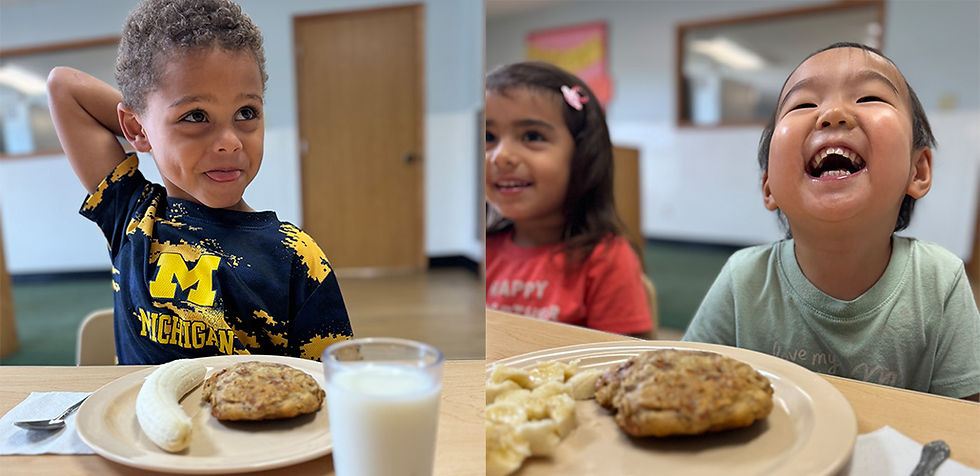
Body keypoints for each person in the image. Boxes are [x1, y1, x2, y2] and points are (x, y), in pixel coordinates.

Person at [46, 0, 352, 365]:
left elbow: (335, 386)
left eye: (246, 113)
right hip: (134, 421)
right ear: (135, 128)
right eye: (195, 116)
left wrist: (161, 128)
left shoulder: (296, 257)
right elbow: (63, 87)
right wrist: (148, 130)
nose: (230, 141)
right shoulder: (131, 214)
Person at [683, 42, 980, 400]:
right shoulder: (742, 278)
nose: (833, 114)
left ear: (918, 170)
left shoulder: (940, 281)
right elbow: (686, 384)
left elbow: (968, 424)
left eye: (870, 97)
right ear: (769, 186)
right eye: (804, 104)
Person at [484, 61, 653, 338]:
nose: (501, 156)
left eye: (532, 136)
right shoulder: (487, 252)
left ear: (582, 157)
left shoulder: (606, 260)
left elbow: (626, 367)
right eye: (489, 137)